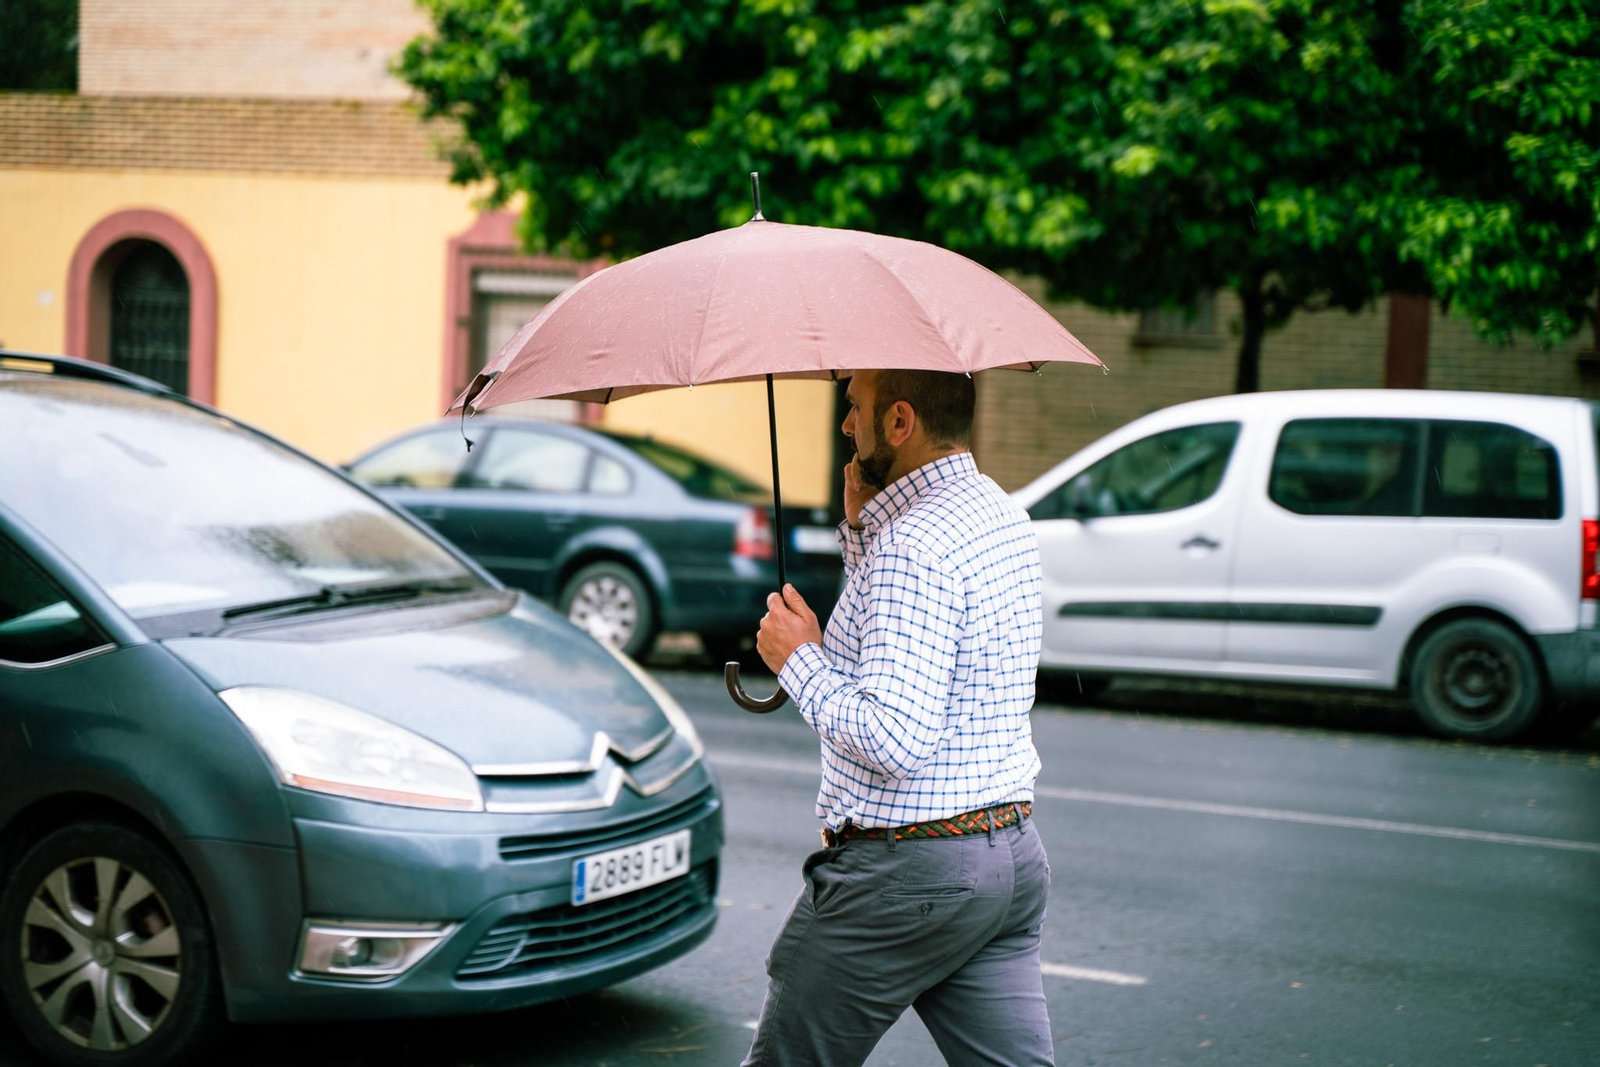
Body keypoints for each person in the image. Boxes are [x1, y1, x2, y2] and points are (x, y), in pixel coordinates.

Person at [744, 368, 1053, 1067]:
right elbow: (905, 641)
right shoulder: (998, 513)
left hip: (908, 875)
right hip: (1007, 859)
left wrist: (798, 662)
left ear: (900, 421)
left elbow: (893, 736)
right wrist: (860, 532)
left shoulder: (912, 545)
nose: (845, 424)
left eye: (855, 407)